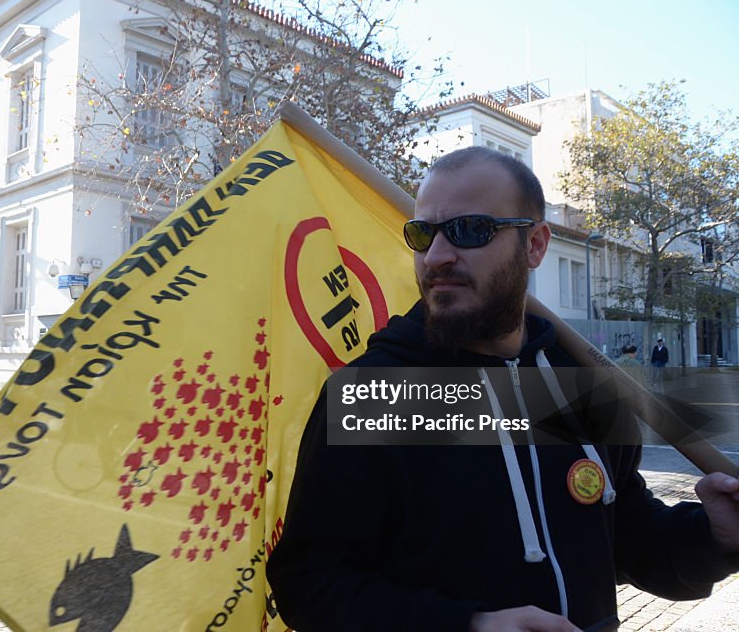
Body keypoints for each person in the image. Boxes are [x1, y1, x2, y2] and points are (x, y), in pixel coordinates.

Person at [266, 147, 739, 631]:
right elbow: (309, 583)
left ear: (534, 245)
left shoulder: (582, 385)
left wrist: (713, 537)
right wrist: (468, 626)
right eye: (422, 234)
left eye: (471, 230)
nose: (437, 256)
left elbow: (627, 537)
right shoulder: (376, 392)